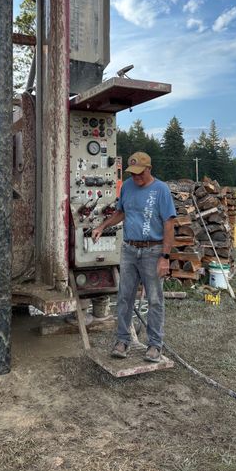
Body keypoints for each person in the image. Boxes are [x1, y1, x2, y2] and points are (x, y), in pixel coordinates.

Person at [92, 151, 176, 363]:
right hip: (129, 250)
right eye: (133, 173)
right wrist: (102, 226)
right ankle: (122, 341)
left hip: (153, 251)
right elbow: (121, 212)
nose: (136, 177)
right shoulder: (127, 186)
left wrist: (165, 256)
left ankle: (155, 345)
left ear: (149, 169)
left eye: (140, 173)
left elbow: (169, 224)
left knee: (155, 300)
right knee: (124, 297)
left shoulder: (161, 190)